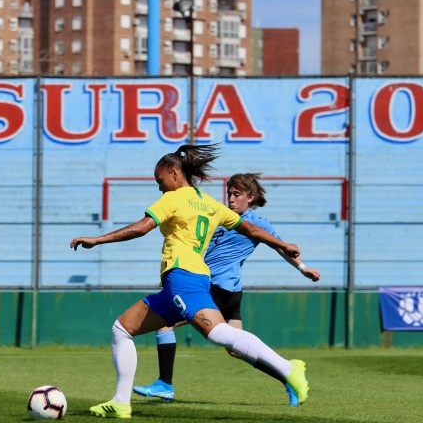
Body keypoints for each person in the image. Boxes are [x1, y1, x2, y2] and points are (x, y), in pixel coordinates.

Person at [70, 144, 310, 419]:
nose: (160, 187)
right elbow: (252, 229)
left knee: (219, 333)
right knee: (122, 328)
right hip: (186, 281)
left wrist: (97, 239)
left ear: (174, 173)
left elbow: (140, 228)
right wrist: (282, 243)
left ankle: (289, 369)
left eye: (160, 180)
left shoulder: (173, 199)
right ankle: (121, 402)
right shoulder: (210, 204)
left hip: (183, 278)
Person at [133, 173, 320, 406]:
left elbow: (282, 247)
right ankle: (290, 377)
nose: (230, 198)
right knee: (236, 349)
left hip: (216, 288)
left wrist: (302, 268)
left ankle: (165, 384)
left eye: (237, 194)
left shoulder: (257, 223)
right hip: (228, 291)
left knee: (164, 323)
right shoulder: (221, 216)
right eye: (229, 193)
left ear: (251, 197)